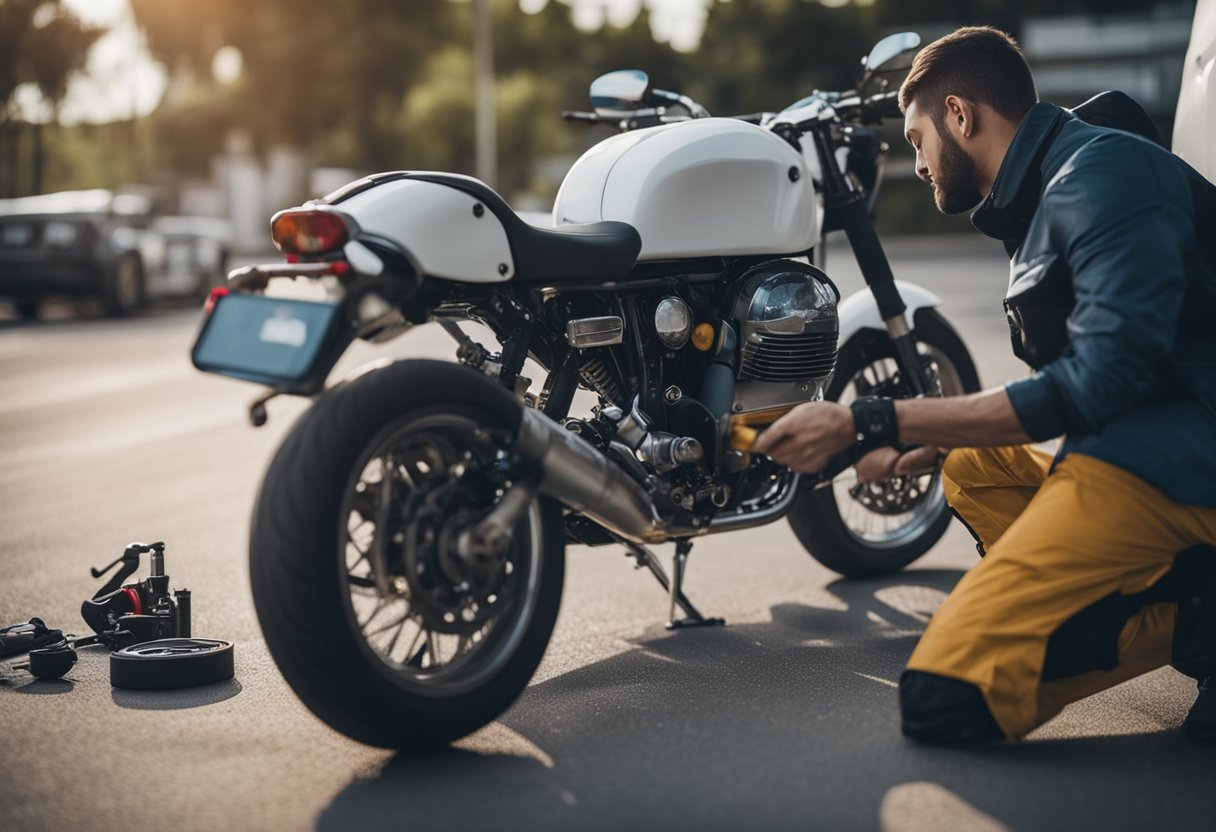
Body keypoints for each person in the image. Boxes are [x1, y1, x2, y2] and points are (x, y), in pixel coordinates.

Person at [753, 25, 1216, 744]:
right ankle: (1191, 613)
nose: (919, 161)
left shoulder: (1104, 176)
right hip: (1153, 446)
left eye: (916, 139)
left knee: (942, 694)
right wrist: (930, 438)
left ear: (961, 116)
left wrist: (871, 422)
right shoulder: (1045, 192)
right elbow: (1096, 387)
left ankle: (1197, 620)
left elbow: (1104, 383)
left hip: (1189, 466)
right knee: (971, 465)